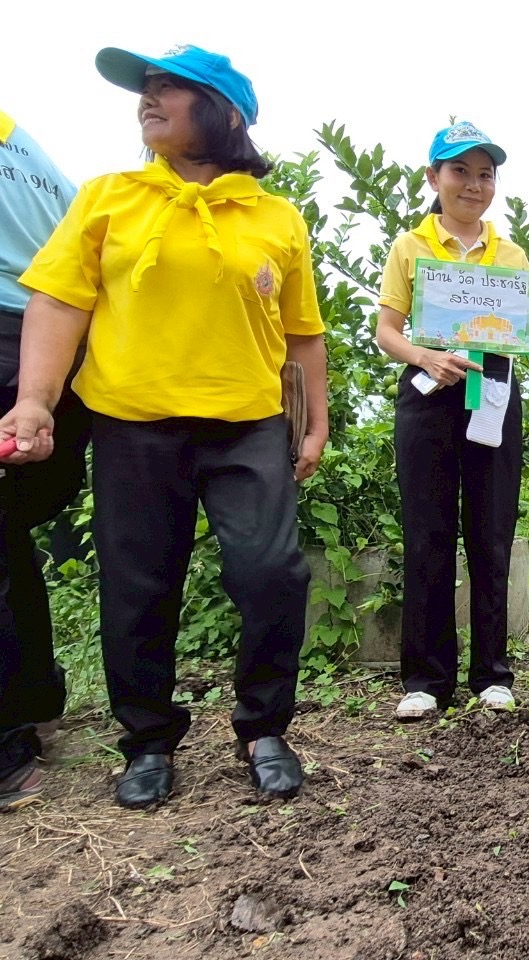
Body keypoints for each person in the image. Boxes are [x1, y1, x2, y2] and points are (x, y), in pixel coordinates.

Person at [2, 44, 329, 809]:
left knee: (273, 574)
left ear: (226, 114)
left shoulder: (276, 217)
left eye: (169, 88)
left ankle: (264, 728)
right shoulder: (109, 197)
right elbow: (59, 301)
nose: (147, 100)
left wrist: (313, 424)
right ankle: (148, 741)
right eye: (144, 89)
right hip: (133, 425)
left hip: (248, 425)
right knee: (138, 587)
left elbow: (302, 333)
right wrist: (35, 401)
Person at [376, 122, 529, 720]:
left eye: (485, 174)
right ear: (434, 178)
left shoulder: (511, 255)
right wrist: (426, 357)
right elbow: (386, 332)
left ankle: (492, 675)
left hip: (493, 394)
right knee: (427, 534)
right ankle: (425, 681)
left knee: (491, 533)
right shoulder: (410, 247)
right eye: (460, 171)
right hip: (428, 396)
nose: (474, 185)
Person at [0, 110, 85, 810]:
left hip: (26, 348)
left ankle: (7, 743)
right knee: (7, 532)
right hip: (58, 354)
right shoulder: (37, 157)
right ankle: (33, 700)